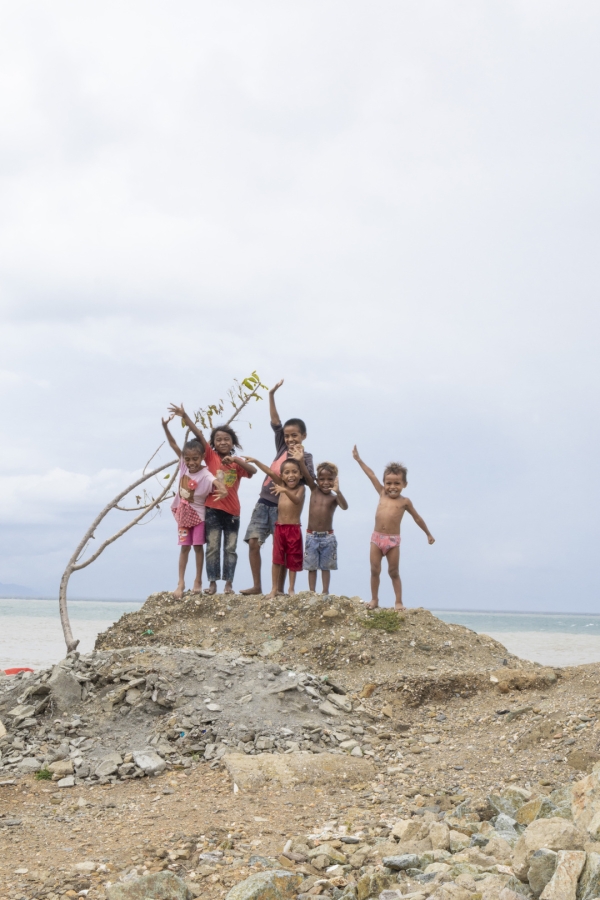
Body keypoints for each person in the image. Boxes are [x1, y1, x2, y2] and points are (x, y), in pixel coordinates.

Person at [167, 404, 257, 595]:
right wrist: (185, 415)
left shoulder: (237, 462)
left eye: (227, 439)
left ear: (233, 443)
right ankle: (213, 583)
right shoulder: (210, 456)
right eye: (219, 439)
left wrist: (236, 460)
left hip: (233, 511)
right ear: (213, 444)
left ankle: (228, 584)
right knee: (212, 547)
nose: (223, 442)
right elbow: (198, 434)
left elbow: (253, 471)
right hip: (212, 510)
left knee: (230, 549)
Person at [241, 379, 315, 596]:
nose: (290, 439)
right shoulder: (282, 446)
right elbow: (275, 421)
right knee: (253, 541)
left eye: (295, 436)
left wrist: (300, 462)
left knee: (280, 550)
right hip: (264, 500)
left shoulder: (307, 457)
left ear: (303, 436)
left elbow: (310, 483)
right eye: (287, 435)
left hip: (283, 508)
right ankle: (257, 586)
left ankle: (280, 590)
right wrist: (271, 394)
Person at [352, 445, 435, 610]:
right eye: (388, 483)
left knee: (393, 571)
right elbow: (371, 475)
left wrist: (428, 534)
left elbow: (417, 518)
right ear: (384, 483)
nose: (392, 486)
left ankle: (398, 602)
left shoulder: (405, 502)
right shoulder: (382, 493)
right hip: (376, 539)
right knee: (374, 570)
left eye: (397, 483)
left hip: (393, 541)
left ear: (405, 484)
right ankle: (374, 599)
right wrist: (359, 460)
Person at [161, 413, 228, 599]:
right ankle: (180, 582)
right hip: (183, 516)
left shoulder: (205, 474)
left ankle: (198, 580)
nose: (191, 463)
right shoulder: (183, 466)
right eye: (188, 459)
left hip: (199, 517)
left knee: (198, 547)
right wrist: (165, 427)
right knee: (184, 548)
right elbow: (173, 444)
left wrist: (222, 489)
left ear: (202, 457)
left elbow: (217, 482)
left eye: (195, 459)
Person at [243, 455, 306, 599]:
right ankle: (274, 589)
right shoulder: (281, 484)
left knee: (292, 559)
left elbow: (296, 500)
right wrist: (256, 461)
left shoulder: (301, 488)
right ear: (282, 476)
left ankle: (291, 588)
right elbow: (270, 472)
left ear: (301, 474)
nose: (291, 475)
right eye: (287, 472)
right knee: (277, 559)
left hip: (294, 529)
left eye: (294, 472)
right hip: (280, 528)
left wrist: (284, 491)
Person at [291, 452, 348, 595]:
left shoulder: (334, 498)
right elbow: (306, 474)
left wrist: (338, 492)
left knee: (325, 566)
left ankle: (325, 592)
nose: (325, 482)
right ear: (317, 479)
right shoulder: (314, 489)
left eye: (330, 479)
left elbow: (344, 506)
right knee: (311, 567)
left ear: (335, 480)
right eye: (322, 479)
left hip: (328, 537)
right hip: (312, 536)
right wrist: (301, 461)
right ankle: (312, 592)